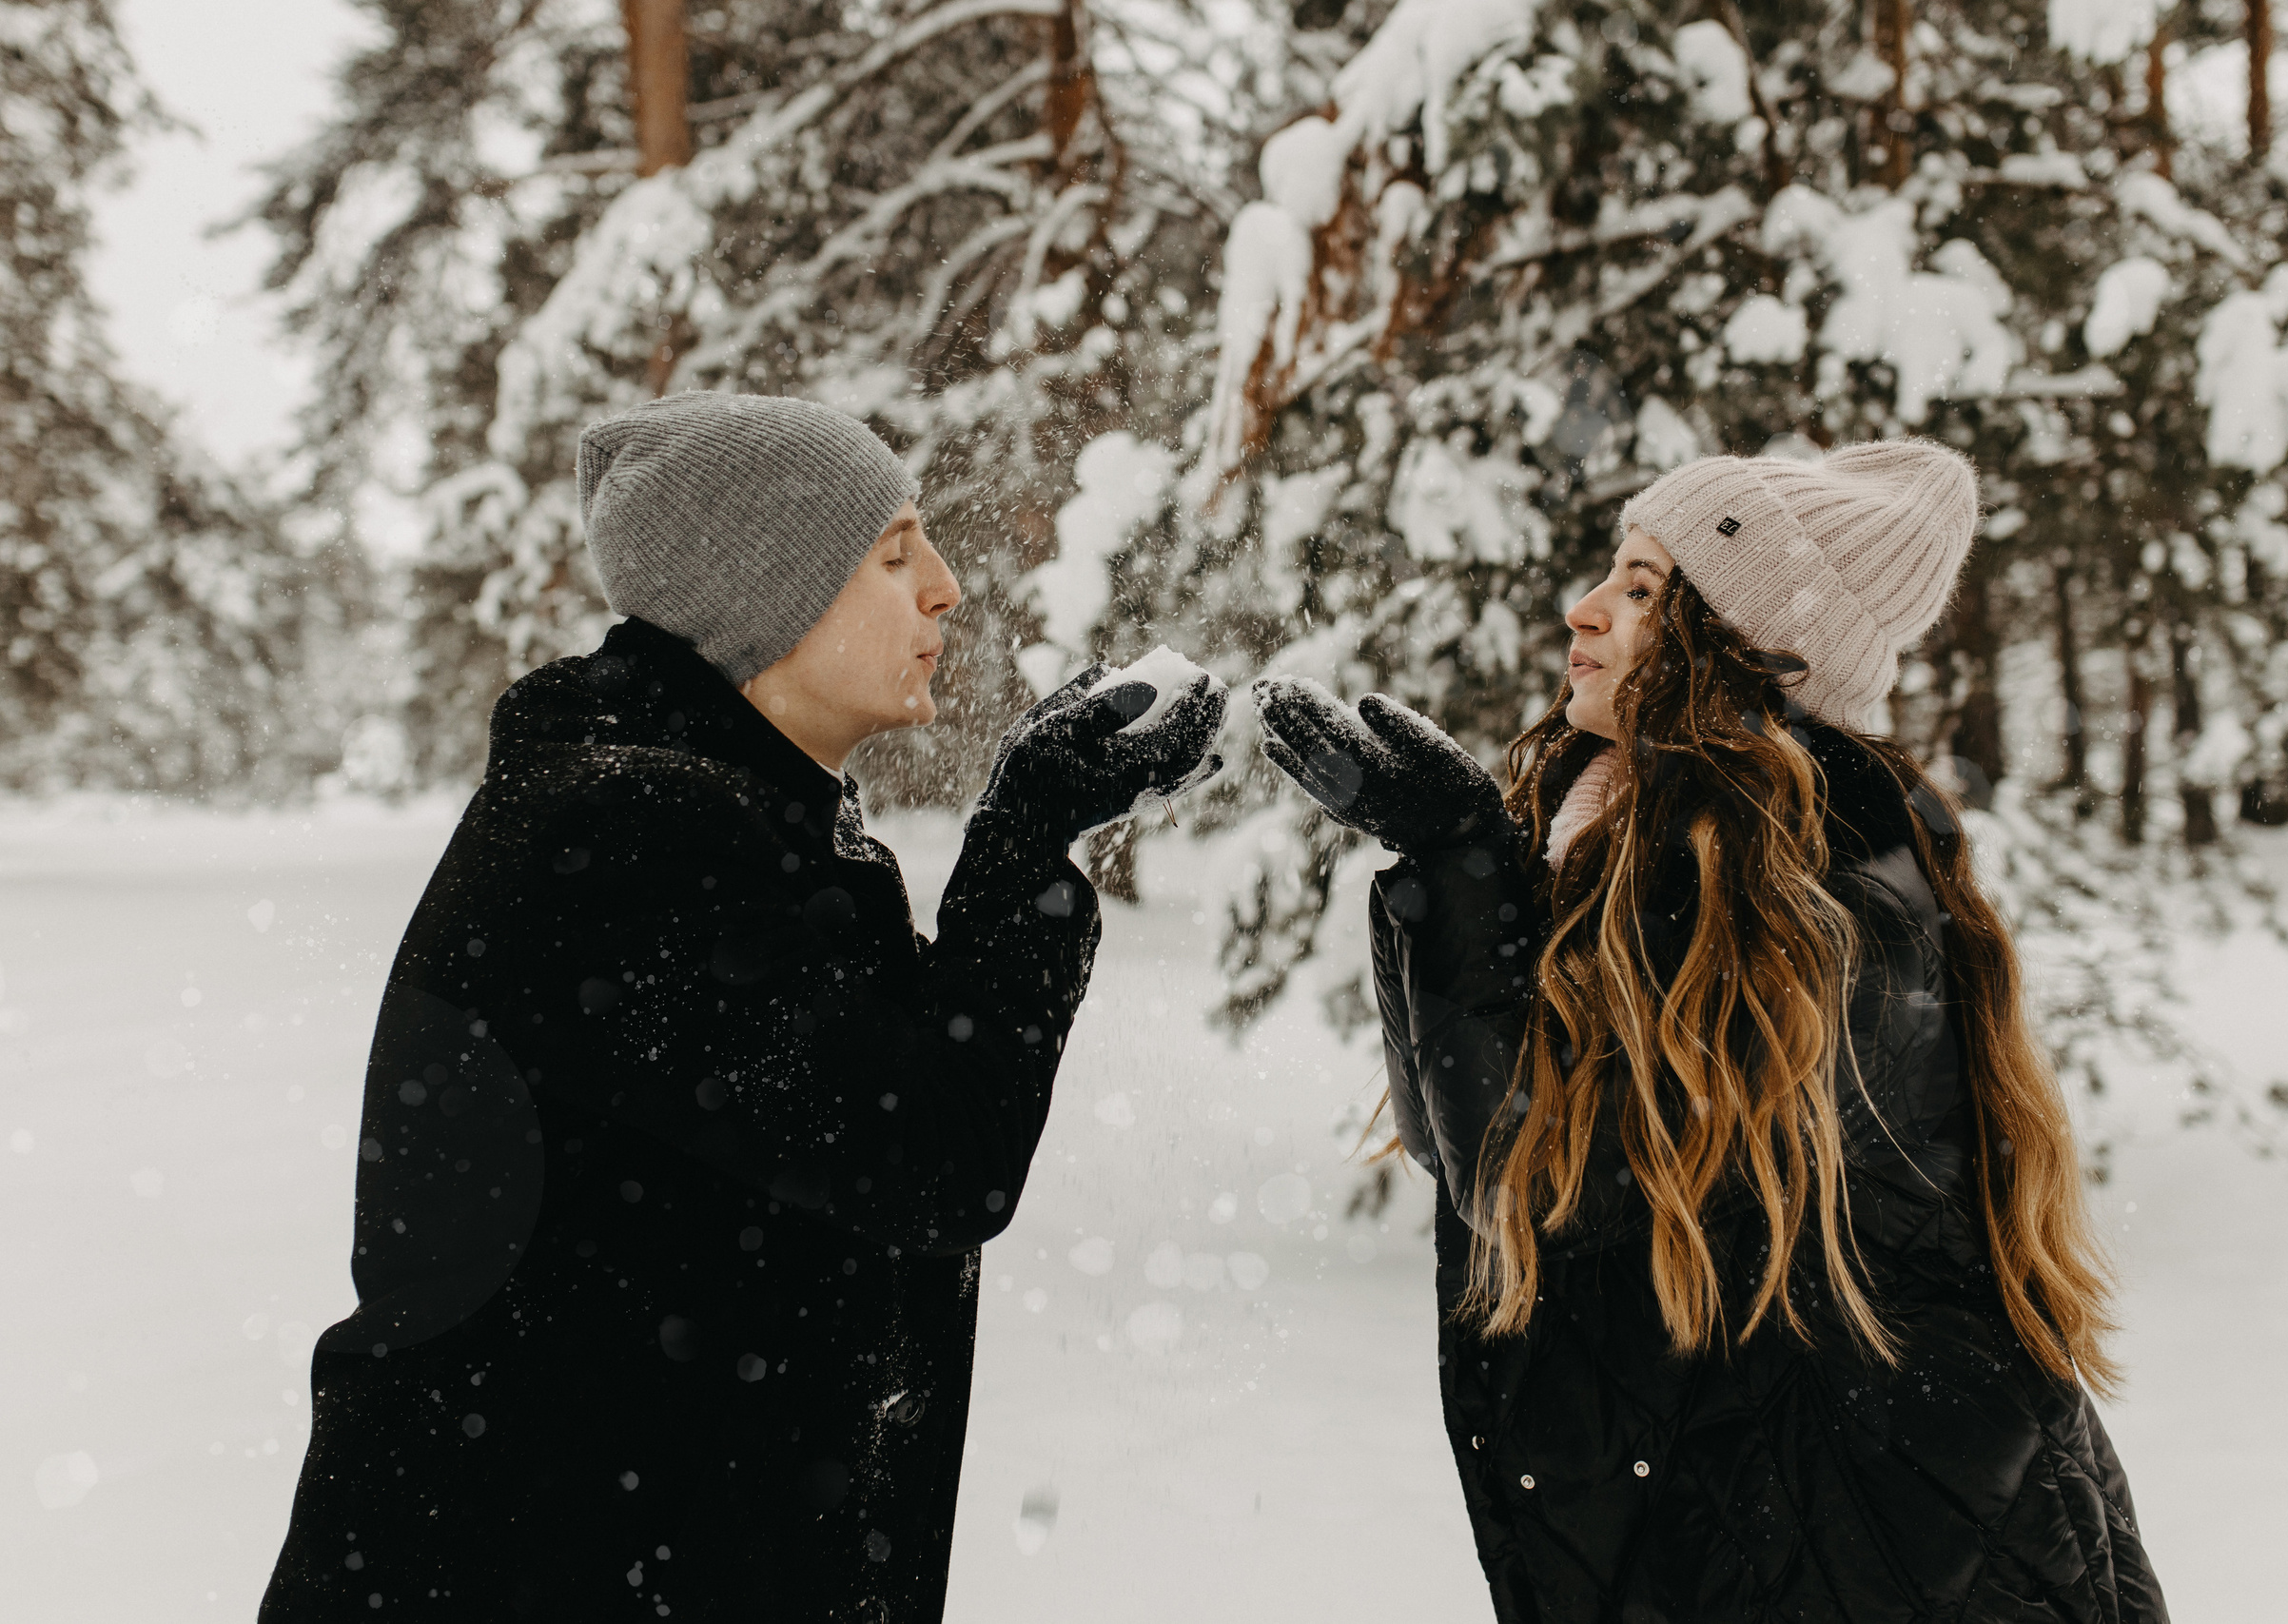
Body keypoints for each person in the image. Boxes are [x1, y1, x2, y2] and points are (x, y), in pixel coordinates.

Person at [260, 393, 1224, 1622]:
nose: (945, 587)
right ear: (767, 597)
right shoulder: (626, 838)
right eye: (892, 553)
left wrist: (1033, 830)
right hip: (527, 1569)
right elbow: (932, 1152)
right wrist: (1025, 833)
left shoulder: (735, 819)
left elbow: (886, 1107)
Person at [1255, 441, 2168, 1623]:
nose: (1582, 608)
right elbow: (1470, 1149)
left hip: (1887, 1543)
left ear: (1738, 652)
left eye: (1643, 590)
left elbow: (1549, 1186)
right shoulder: (1661, 849)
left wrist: (1459, 866)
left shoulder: (1803, 884)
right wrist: (1447, 879)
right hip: (1805, 1518)